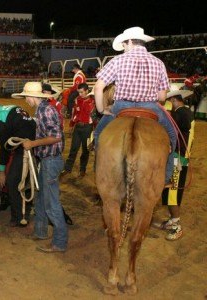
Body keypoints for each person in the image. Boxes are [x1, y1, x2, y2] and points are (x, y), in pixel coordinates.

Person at [93, 26, 177, 185]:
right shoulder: (158, 63)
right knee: (172, 138)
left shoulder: (117, 60)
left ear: (130, 41)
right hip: (150, 107)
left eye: (124, 45)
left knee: (98, 134)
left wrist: (101, 110)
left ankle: (99, 168)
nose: (123, 49)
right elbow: (162, 96)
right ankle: (166, 177)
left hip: (122, 107)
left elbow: (98, 87)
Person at [12, 82, 68, 253]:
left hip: (50, 159)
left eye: (26, 97)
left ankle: (59, 242)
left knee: (50, 202)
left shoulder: (46, 110)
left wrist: (33, 143)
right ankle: (41, 231)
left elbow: (56, 137)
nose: (26, 100)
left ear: (31, 96)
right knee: (42, 197)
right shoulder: (42, 109)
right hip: (47, 159)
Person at [0, 101, 36, 227]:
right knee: (27, 180)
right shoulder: (13, 107)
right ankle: (26, 209)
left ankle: (18, 217)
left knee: (12, 182)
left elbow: (5, 148)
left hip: (23, 149)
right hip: (34, 144)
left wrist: (1, 170)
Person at [154, 88, 194, 241]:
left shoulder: (181, 113)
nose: (169, 103)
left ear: (175, 100)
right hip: (179, 157)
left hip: (178, 159)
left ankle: (177, 225)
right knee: (170, 189)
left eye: (170, 101)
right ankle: (172, 220)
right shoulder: (185, 112)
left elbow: (180, 130)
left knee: (173, 192)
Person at [61, 83, 95, 178]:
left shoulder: (93, 101)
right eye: (79, 92)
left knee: (85, 150)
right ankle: (68, 168)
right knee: (73, 149)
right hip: (78, 127)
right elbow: (75, 113)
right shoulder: (78, 100)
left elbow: (95, 118)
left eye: (82, 92)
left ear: (87, 91)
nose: (80, 94)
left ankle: (82, 169)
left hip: (88, 128)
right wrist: (71, 124)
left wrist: (94, 130)